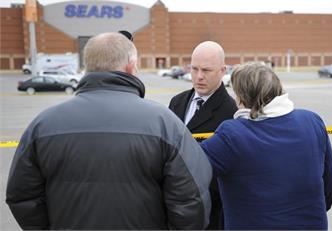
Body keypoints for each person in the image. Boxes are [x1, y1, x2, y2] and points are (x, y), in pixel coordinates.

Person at [6, 32, 212, 230]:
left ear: (87, 67)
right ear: (131, 67)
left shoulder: (43, 125)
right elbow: (192, 199)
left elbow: (21, 195)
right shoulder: (165, 123)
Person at [201, 62, 332, 230]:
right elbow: (329, 185)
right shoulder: (312, 121)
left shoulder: (232, 135)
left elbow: (184, 170)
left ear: (242, 98)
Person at [169, 41, 238, 229]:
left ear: (223, 70)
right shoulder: (177, 102)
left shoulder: (231, 112)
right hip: (174, 207)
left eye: (206, 70)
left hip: (210, 213)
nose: (199, 77)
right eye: (194, 69)